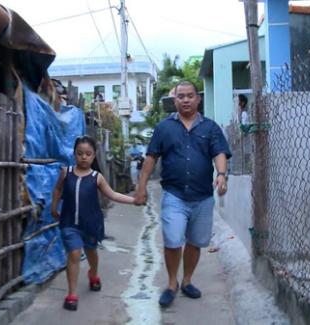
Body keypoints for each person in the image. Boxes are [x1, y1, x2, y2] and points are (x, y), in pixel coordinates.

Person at [134, 81, 231, 307]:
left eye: (190, 96)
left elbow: (219, 153)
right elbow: (151, 158)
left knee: (195, 242)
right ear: (175, 100)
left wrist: (222, 174)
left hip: (203, 197)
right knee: (172, 241)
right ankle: (171, 283)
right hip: (174, 195)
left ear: (198, 99)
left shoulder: (210, 128)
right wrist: (141, 186)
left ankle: (187, 281)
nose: (186, 100)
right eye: (181, 96)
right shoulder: (164, 128)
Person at [51, 135, 136, 311]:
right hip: (69, 224)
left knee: (91, 253)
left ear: (94, 155)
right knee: (74, 255)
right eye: (80, 153)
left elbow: (112, 195)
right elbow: (58, 189)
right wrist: (54, 207)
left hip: (91, 225)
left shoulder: (97, 177)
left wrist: (133, 200)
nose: (84, 157)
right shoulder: (65, 172)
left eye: (88, 154)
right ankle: (72, 294)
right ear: (74, 154)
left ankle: (93, 273)